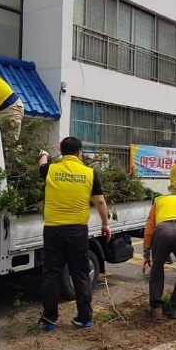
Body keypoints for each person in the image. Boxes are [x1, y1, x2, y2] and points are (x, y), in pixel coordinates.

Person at [37, 137, 112, 331]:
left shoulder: (51, 170)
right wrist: (105, 224)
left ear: (61, 151)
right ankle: (84, 318)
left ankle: (50, 320)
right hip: (78, 230)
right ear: (80, 153)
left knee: (52, 274)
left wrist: (44, 154)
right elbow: (101, 202)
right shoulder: (89, 173)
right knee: (80, 274)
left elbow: (42, 165)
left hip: (53, 230)